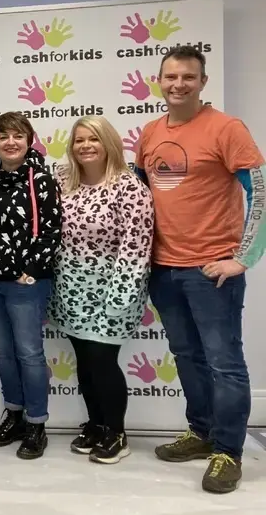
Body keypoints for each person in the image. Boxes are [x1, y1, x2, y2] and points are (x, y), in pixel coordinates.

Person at [135, 45, 265, 494]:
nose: (179, 85)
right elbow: (138, 196)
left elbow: (261, 192)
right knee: (187, 356)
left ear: (202, 82)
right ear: (159, 81)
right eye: (171, 77)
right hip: (163, 270)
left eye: (188, 77)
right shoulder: (150, 132)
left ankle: (228, 452)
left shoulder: (226, 128)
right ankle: (202, 431)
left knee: (224, 362)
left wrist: (244, 257)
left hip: (212, 271)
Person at [50, 116, 153, 464]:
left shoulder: (129, 187)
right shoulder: (63, 180)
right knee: (84, 360)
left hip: (113, 290)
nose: (85, 146)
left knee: (102, 360)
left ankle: (117, 433)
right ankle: (96, 424)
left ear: (108, 142)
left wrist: (120, 296)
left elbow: (136, 246)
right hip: (70, 290)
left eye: (93, 139)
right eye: (79, 140)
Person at [0, 111, 62, 460]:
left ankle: (37, 423)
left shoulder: (42, 179)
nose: (11, 142)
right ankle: (15, 415)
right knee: (3, 352)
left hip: (25, 284)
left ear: (28, 140)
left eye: (18, 136)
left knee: (29, 353)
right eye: (3, 136)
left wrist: (32, 270)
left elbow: (52, 230)